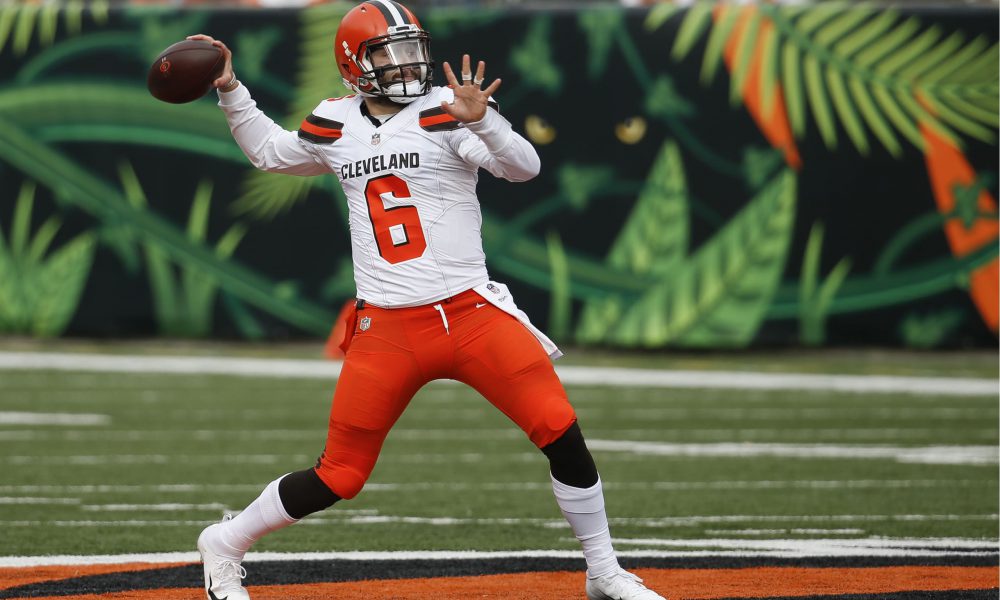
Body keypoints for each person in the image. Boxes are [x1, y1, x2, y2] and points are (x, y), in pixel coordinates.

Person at [190, 2, 666, 599]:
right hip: (387, 328)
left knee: (559, 429)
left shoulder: (447, 109)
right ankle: (225, 542)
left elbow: (524, 167)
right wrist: (231, 89)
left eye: (412, 47)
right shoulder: (335, 122)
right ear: (352, 64)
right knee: (341, 475)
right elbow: (271, 152)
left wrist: (485, 120)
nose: (407, 62)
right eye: (388, 52)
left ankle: (604, 571)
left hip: (471, 315)